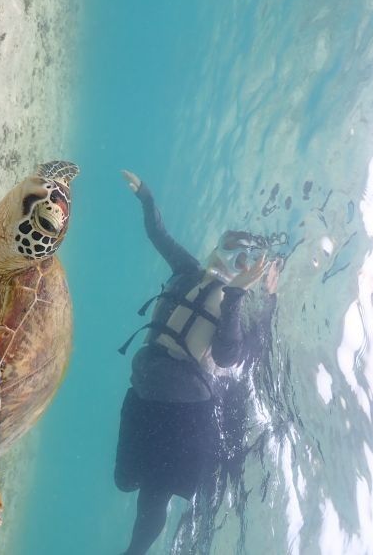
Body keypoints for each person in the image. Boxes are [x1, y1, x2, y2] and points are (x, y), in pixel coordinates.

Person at [114, 170, 282, 555]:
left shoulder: (229, 304)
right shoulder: (187, 270)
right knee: (129, 481)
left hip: (184, 404)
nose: (229, 261)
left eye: (241, 260)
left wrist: (239, 295)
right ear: (214, 249)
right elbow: (160, 236)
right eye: (227, 248)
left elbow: (228, 356)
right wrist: (147, 197)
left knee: (154, 493)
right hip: (148, 385)